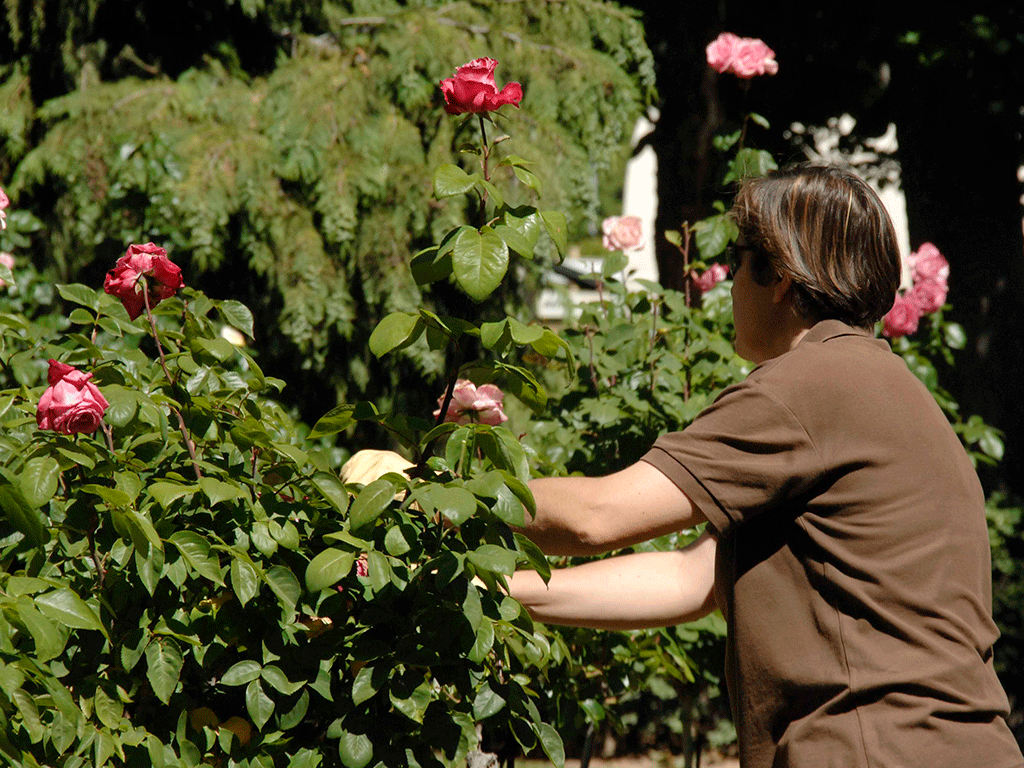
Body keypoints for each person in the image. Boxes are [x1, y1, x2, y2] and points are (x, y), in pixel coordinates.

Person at [506, 164, 1024, 768]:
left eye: (737, 255)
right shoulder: (888, 389)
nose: (725, 279)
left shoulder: (808, 388)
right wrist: (494, 588)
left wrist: (427, 493)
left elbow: (596, 516)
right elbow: (692, 580)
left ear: (779, 276)